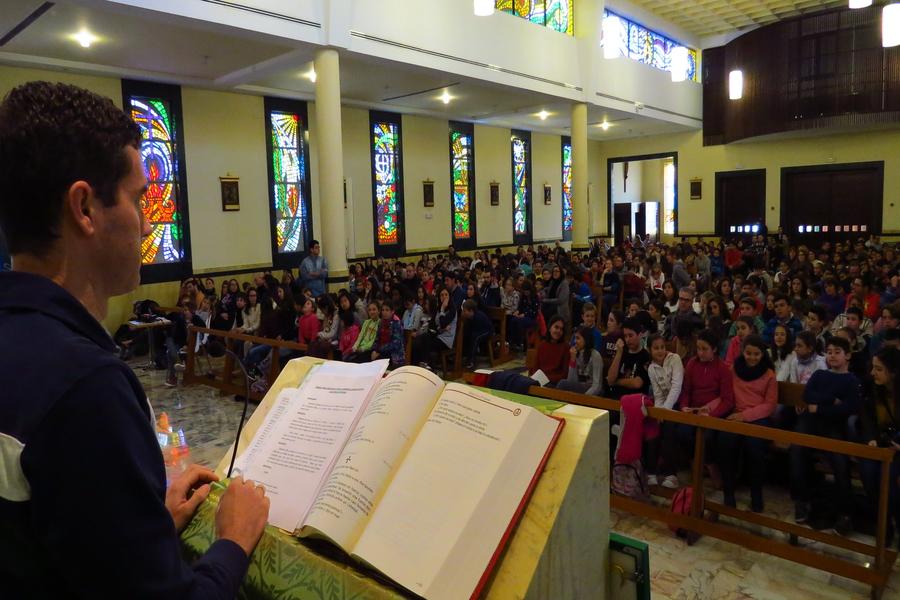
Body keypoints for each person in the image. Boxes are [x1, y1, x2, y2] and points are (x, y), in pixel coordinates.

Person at [0, 81, 269, 597]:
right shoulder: (86, 386)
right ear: (84, 208)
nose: (147, 220)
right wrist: (233, 541)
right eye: (140, 197)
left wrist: (140, 527)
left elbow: (39, 545)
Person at [791, 336, 861, 533]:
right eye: (829, 352)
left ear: (848, 355)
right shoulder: (820, 374)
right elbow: (807, 395)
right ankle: (801, 500)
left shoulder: (852, 380)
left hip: (834, 425)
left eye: (837, 352)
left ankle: (845, 512)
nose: (832, 356)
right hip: (810, 422)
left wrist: (819, 408)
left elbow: (849, 407)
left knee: (840, 460)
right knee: (797, 449)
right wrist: (831, 400)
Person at [720, 335, 777, 512]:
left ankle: (756, 494)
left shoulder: (768, 374)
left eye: (756, 354)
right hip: (735, 414)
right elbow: (727, 393)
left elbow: (769, 405)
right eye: (748, 353)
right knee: (726, 442)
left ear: (762, 354)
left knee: (755, 446)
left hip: (757, 417)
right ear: (743, 352)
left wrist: (745, 416)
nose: (752, 357)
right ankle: (728, 492)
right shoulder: (734, 369)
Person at [859, 348, 900, 539]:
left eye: (879, 369)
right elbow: (866, 416)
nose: (872, 373)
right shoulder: (873, 386)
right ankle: (882, 521)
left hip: (897, 448)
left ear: (893, 372)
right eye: (873, 368)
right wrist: (871, 437)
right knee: (868, 472)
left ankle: (894, 521)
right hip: (880, 442)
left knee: (889, 477)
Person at [645, 333, 684, 489]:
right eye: (656, 348)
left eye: (662, 347)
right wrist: (658, 412)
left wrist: (665, 411)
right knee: (652, 426)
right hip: (664, 405)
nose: (660, 351)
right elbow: (658, 394)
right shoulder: (651, 368)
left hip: (679, 403)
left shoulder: (674, 359)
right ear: (650, 350)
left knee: (668, 428)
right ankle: (651, 471)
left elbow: (676, 387)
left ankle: (671, 474)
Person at [605, 318, 651, 400]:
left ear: (639, 335)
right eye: (625, 336)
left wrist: (616, 382)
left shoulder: (645, 356)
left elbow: (637, 383)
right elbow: (610, 380)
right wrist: (619, 353)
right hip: (616, 398)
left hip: (635, 400)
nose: (628, 340)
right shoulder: (622, 352)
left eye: (631, 335)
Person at [557, 326, 604, 396]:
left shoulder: (595, 355)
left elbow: (597, 385)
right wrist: (572, 360)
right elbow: (571, 381)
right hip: (580, 388)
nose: (575, 341)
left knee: (562, 383)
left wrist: (584, 398)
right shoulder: (576, 353)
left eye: (578, 338)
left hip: (592, 390)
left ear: (586, 339)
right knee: (564, 383)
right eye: (575, 338)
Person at [531, 315, 569, 386]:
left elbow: (565, 374)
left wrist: (547, 379)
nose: (558, 331)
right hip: (539, 380)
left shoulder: (565, 347)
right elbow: (535, 368)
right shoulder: (541, 346)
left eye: (561, 329)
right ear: (549, 328)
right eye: (556, 327)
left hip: (555, 383)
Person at [371, 299, 405, 368]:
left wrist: (379, 350)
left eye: (387, 310)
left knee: (376, 364)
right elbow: (377, 339)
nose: (384, 312)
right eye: (383, 310)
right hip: (381, 351)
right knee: (365, 357)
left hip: (394, 355)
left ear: (392, 311)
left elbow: (395, 344)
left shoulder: (397, 323)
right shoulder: (381, 322)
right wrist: (374, 350)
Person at [461, 299, 493, 369]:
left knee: (475, 338)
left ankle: (471, 361)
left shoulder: (478, 317)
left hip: (487, 331)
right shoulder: (470, 317)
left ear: (471, 311)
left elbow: (479, 330)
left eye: (465, 311)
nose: (463, 312)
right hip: (478, 331)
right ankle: (466, 356)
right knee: (467, 336)